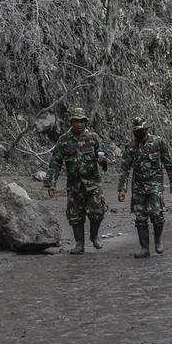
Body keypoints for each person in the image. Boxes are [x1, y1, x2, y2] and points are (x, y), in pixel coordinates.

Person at [44, 107, 108, 254]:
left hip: (93, 183)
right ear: (71, 122)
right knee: (75, 215)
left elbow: (102, 153)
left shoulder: (93, 138)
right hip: (74, 184)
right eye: (75, 121)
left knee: (98, 211)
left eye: (81, 121)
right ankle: (79, 244)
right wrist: (51, 183)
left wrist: (102, 160)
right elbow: (55, 162)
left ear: (85, 122)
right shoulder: (64, 140)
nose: (79, 124)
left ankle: (94, 236)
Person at [116, 117, 172, 258]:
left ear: (146, 129)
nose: (138, 133)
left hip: (155, 183)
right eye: (136, 131)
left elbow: (168, 163)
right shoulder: (131, 147)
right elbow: (125, 169)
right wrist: (122, 189)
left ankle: (158, 241)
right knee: (140, 217)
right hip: (138, 185)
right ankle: (144, 248)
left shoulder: (158, 142)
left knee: (157, 214)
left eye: (141, 130)